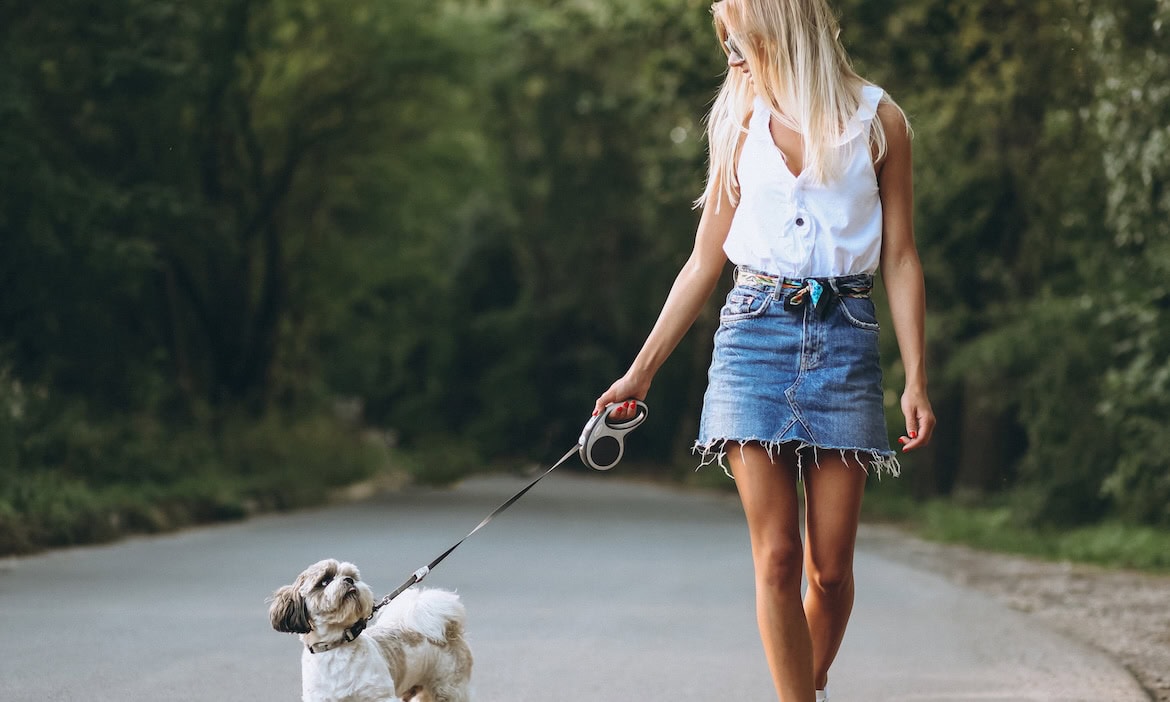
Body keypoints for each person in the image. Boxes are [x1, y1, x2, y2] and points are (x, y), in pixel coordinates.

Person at [592, 1, 936, 700]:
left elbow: (900, 256)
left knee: (829, 568)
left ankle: (809, 680)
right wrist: (641, 371)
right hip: (752, 334)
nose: (734, 63)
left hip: (846, 336)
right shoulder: (737, 122)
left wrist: (916, 377)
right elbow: (701, 263)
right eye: (728, 50)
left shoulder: (881, 121)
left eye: (742, 47)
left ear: (787, 36)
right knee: (778, 557)